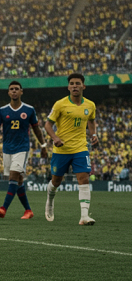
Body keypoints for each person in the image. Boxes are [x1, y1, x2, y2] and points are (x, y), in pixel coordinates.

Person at [0, 81, 47, 219]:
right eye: (11, 89)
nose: (14, 91)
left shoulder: (29, 109)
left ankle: (3, 208)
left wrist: (43, 145)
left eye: (16, 89)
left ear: (21, 91)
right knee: (18, 180)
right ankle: (28, 210)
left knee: (13, 176)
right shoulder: (2, 111)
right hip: (7, 148)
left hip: (22, 148)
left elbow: (36, 129)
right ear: (8, 92)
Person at [43, 73, 98, 225]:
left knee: (84, 178)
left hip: (80, 147)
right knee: (56, 181)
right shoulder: (60, 104)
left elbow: (91, 121)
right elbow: (48, 124)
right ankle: (50, 201)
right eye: (72, 83)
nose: (75, 86)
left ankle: (84, 216)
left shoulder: (90, 105)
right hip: (61, 149)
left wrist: (93, 134)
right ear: (68, 87)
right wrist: (55, 138)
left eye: (77, 83)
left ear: (83, 86)